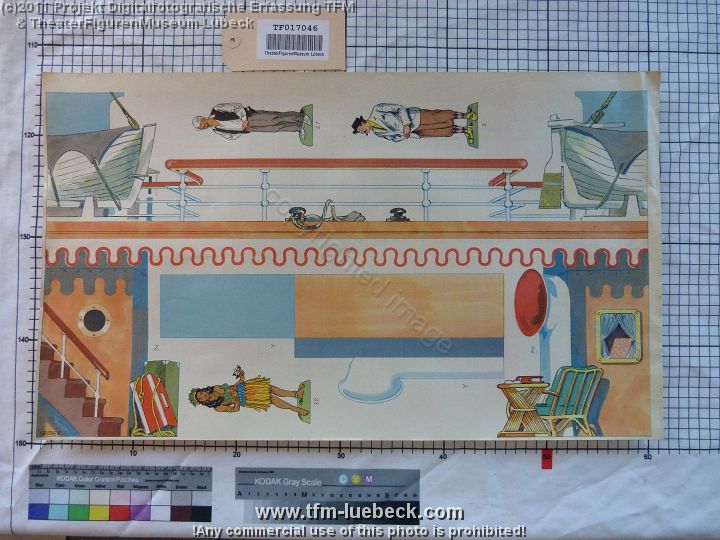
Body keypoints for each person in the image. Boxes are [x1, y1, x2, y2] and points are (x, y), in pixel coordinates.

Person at [188, 365, 308, 417]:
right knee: (271, 398)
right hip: (246, 398)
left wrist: (241, 378)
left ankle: (296, 394)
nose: (203, 395)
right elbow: (235, 410)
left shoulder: (216, 387)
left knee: (270, 388)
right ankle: (297, 410)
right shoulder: (217, 408)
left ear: (203, 390)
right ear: (202, 402)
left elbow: (231, 387)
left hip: (245, 388)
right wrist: (236, 399)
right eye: (201, 398)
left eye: (201, 393)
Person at [351, 103, 477, 144]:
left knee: (439, 117)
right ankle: (465, 130)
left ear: (362, 123)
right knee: (440, 131)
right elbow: (393, 138)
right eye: (363, 133)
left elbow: (400, 108)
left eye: (363, 130)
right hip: (414, 132)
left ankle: (466, 115)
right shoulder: (378, 133)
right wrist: (404, 135)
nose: (365, 132)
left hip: (415, 118)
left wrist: (406, 124)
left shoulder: (377, 109)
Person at [193, 103, 310, 140]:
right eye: (200, 128)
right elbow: (230, 136)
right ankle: (298, 127)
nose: (202, 128)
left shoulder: (217, 109)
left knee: (275, 118)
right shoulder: (216, 130)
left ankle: (300, 117)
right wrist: (241, 130)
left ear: (202, 120)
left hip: (250, 117)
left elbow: (236, 107)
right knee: (275, 128)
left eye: (201, 126)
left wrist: (244, 120)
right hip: (249, 128)